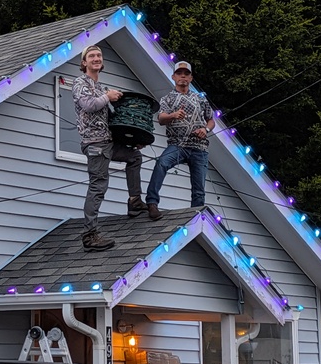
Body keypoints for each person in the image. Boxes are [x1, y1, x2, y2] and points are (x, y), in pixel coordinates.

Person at [72, 45, 149, 252]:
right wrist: (108, 97)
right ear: (84, 63)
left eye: (99, 55)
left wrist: (134, 138)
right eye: (92, 56)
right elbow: (89, 105)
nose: (96, 58)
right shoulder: (81, 83)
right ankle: (90, 235)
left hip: (107, 142)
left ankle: (134, 201)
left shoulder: (100, 87)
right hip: (95, 144)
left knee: (134, 156)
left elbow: (109, 120)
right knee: (98, 186)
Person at [145, 61, 215, 213]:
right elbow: (161, 118)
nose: (183, 76)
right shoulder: (167, 99)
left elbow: (211, 120)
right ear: (173, 77)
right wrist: (173, 115)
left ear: (191, 78)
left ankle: (195, 215)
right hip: (177, 145)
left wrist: (205, 129)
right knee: (162, 163)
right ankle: (151, 202)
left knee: (199, 189)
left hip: (199, 147)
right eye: (179, 73)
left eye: (186, 74)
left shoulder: (201, 99)